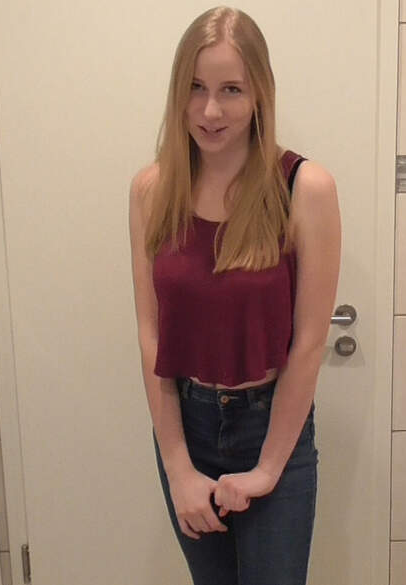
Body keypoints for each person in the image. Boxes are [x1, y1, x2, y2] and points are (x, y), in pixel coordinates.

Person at [128, 6, 340, 585]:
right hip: (186, 427)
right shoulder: (151, 190)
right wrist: (177, 466)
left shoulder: (304, 188)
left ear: (259, 94)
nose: (210, 111)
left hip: (272, 427)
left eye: (231, 90)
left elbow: (309, 342)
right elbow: (150, 332)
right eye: (195, 88)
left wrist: (267, 469)